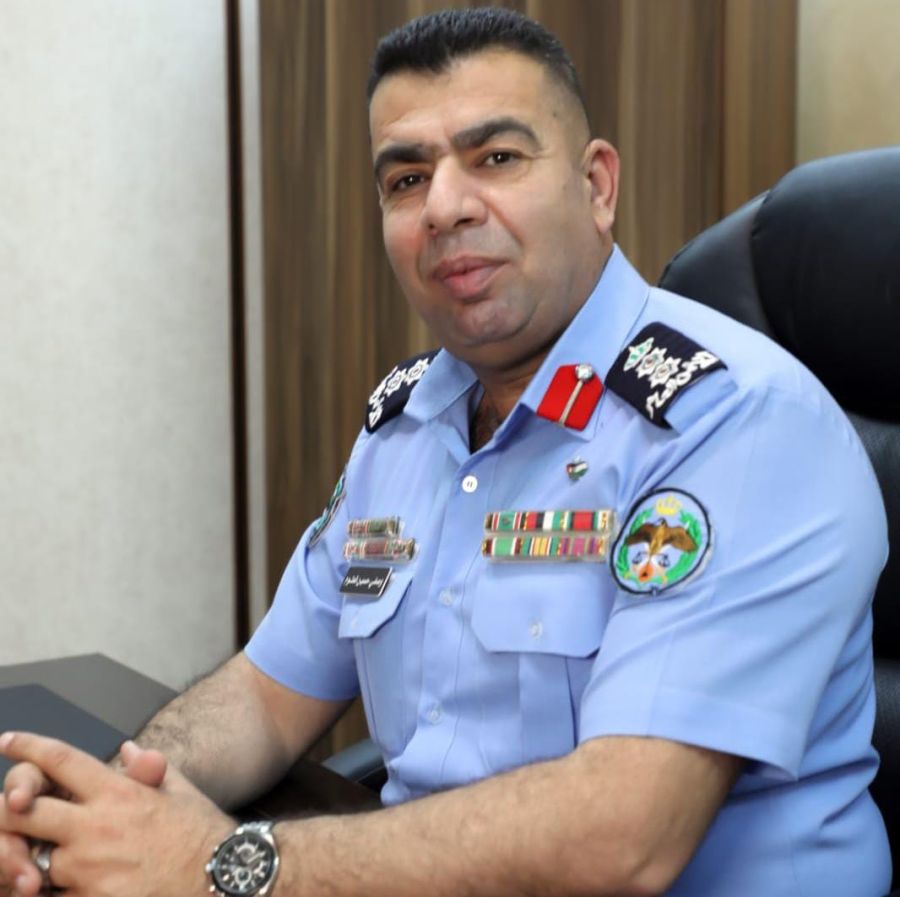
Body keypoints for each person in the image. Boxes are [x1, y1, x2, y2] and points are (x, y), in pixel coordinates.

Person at [0, 7, 891, 896]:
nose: (444, 207)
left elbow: (623, 837)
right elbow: (266, 698)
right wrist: (89, 810)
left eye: (496, 158)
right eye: (406, 178)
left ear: (596, 186)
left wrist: (216, 864)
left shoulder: (735, 424)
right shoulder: (409, 423)